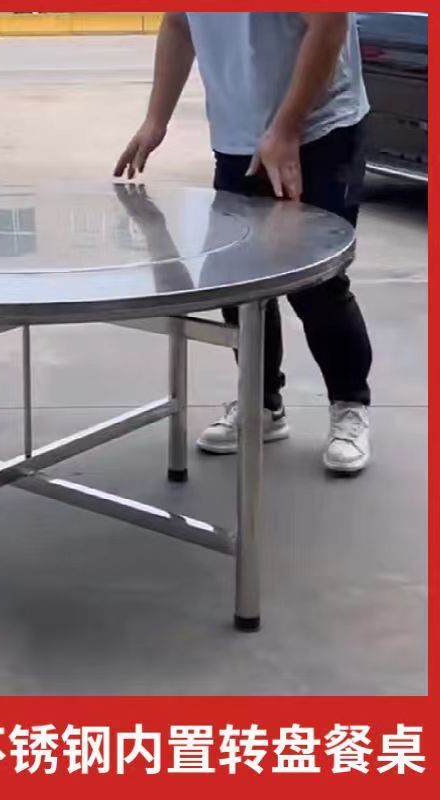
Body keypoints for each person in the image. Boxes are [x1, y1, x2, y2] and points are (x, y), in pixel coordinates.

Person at [115, 12, 373, 474]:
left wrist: (287, 128)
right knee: (239, 280)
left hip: (320, 129)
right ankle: (262, 403)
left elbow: (330, 21)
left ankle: (349, 405)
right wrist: (156, 119)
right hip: (238, 134)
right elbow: (178, 24)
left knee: (316, 281)